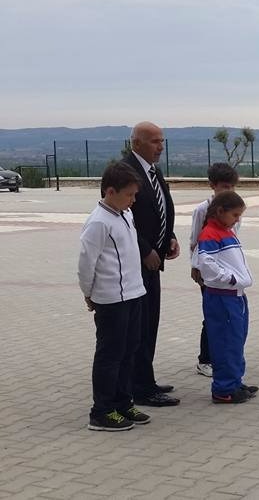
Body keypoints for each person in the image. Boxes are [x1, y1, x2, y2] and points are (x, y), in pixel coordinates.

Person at [79, 162, 151, 431]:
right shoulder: (98, 222)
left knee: (130, 349)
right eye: (129, 195)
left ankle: (123, 402)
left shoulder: (124, 215)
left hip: (134, 293)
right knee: (110, 354)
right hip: (111, 299)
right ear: (111, 191)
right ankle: (101, 411)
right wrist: (88, 292)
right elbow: (86, 262)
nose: (133, 201)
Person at [123, 122, 180, 407]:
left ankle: (146, 379)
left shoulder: (153, 171)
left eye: (162, 140)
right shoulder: (125, 173)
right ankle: (139, 388)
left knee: (150, 322)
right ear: (136, 144)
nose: (160, 146)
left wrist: (169, 236)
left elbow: (161, 207)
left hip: (154, 263)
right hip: (136, 262)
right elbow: (126, 218)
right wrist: (146, 249)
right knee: (140, 325)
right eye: (154, 141)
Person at [196, 191, 257, 403]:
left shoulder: (226, 231)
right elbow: (207, 265)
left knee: (237, 339)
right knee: (225, 341)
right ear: (220, 211)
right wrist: (230, 279)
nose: (237, 220)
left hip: (236, 296)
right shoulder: (210, 234)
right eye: (235, 215)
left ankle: (234, 381)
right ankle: (223, 389)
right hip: (222, 297)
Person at [189, 163, 240, 378]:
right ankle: (205, 359)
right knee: (212, 315)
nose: (228, 191)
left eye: (232, 187)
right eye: (224, 187)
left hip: (229, 269)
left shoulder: (235, 208)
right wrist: (195, 266)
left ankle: (223, 356)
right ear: (212, 185)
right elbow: (195, 240)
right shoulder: (203, 209)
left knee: (228, 315)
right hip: (209, 270)